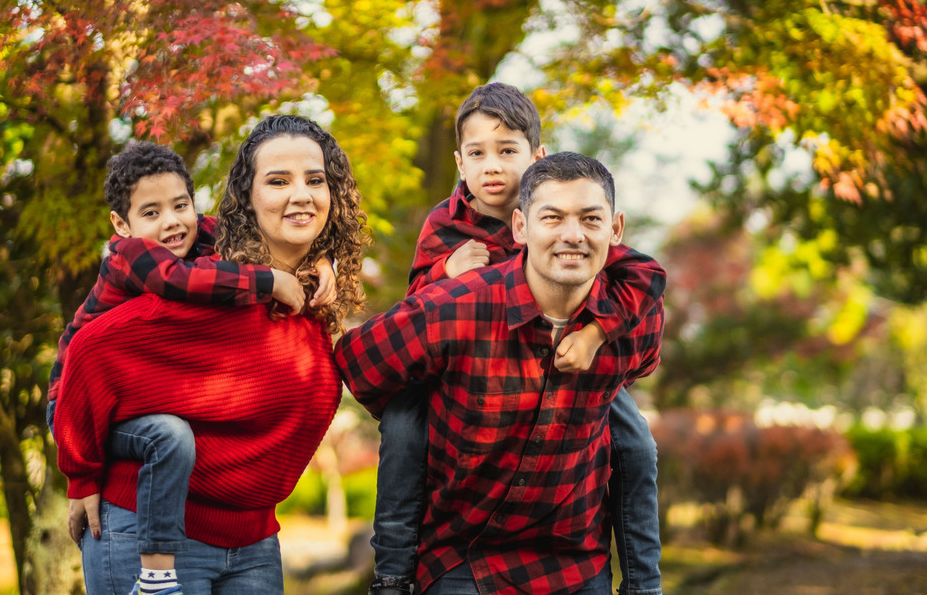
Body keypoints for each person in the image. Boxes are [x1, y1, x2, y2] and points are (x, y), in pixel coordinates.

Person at [367, 83, 665, 595]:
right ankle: (391, 575)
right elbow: (414, 305)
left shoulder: (570, 217)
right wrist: (445, 271)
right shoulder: (445, 223)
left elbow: (645, 278)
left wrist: (597, 332)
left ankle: (642, 584)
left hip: (567, 370)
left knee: (635, 439)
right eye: (478, 154)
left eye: (508, 152)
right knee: (403, 426)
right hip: (462, 373)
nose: (493, 167)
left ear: (536, 157)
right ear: (460, 164)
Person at [54, 115, 369, 595]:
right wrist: (80, 475)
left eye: (315, 180)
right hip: (146, 534)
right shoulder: (196, 289)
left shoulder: (309, 298)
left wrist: (313, 267)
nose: (301, 194)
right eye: (279, 180)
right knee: (168, 434)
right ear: (247, 197)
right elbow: (89, 353)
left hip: (254, 542)